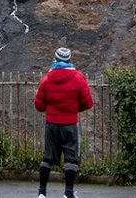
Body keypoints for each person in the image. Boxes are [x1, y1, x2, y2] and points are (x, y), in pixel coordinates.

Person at [34, 47, 94, 198]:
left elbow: (39, 106)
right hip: (70, 124)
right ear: (69, 59)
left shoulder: (47, 79)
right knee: (71, 159)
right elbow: (88, 103)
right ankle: (68, 193)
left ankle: (42, 193)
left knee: (47, 158)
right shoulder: (78, 78)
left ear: (55, 59)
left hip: (51, 124)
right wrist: (73, 109)